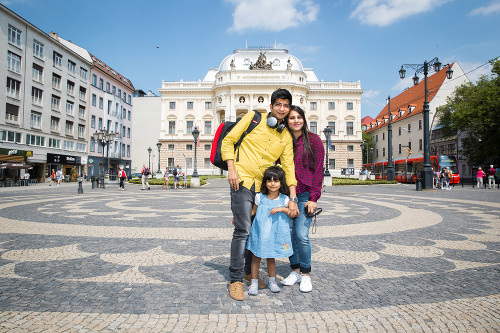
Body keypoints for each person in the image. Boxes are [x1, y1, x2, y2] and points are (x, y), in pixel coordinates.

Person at [222, 88, 298, 301]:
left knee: (256, 230)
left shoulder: (285, 137)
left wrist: (292, 197)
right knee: (242, 230)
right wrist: (231, 168)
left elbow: (289, 166)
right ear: (272, 106)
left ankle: (248, 271)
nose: (282, 108)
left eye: (286, 105)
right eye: (278, 104)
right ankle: (235, 279)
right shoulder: (253, 118)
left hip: (262, 188)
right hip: (242, 180)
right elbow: (229, 140)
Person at [282, 105, 325, 293]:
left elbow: (318, 172)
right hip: (286, 195)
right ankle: (296, 270)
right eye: (291, 118)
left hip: (305, 195)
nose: (295, 121)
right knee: (290, 236)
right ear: (287, 120)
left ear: (304, 119)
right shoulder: (283, 140)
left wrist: (314, 198)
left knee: (301, 235)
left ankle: (306, 274)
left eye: (299, 117)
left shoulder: (314, 141)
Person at [246, 166, 293, 296]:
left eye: (276, 181)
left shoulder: (284, 199)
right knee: (256, 258)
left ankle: (272, 281)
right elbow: (253, 211)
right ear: (265, 182)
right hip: (260, 233)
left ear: (281, 182)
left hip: (274, 234)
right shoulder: (259, 197)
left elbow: (293, 212)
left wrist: (281, 209)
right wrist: (240, 218)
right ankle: (254, 282)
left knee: (271, 258)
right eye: (270, 181)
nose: (273, 184)